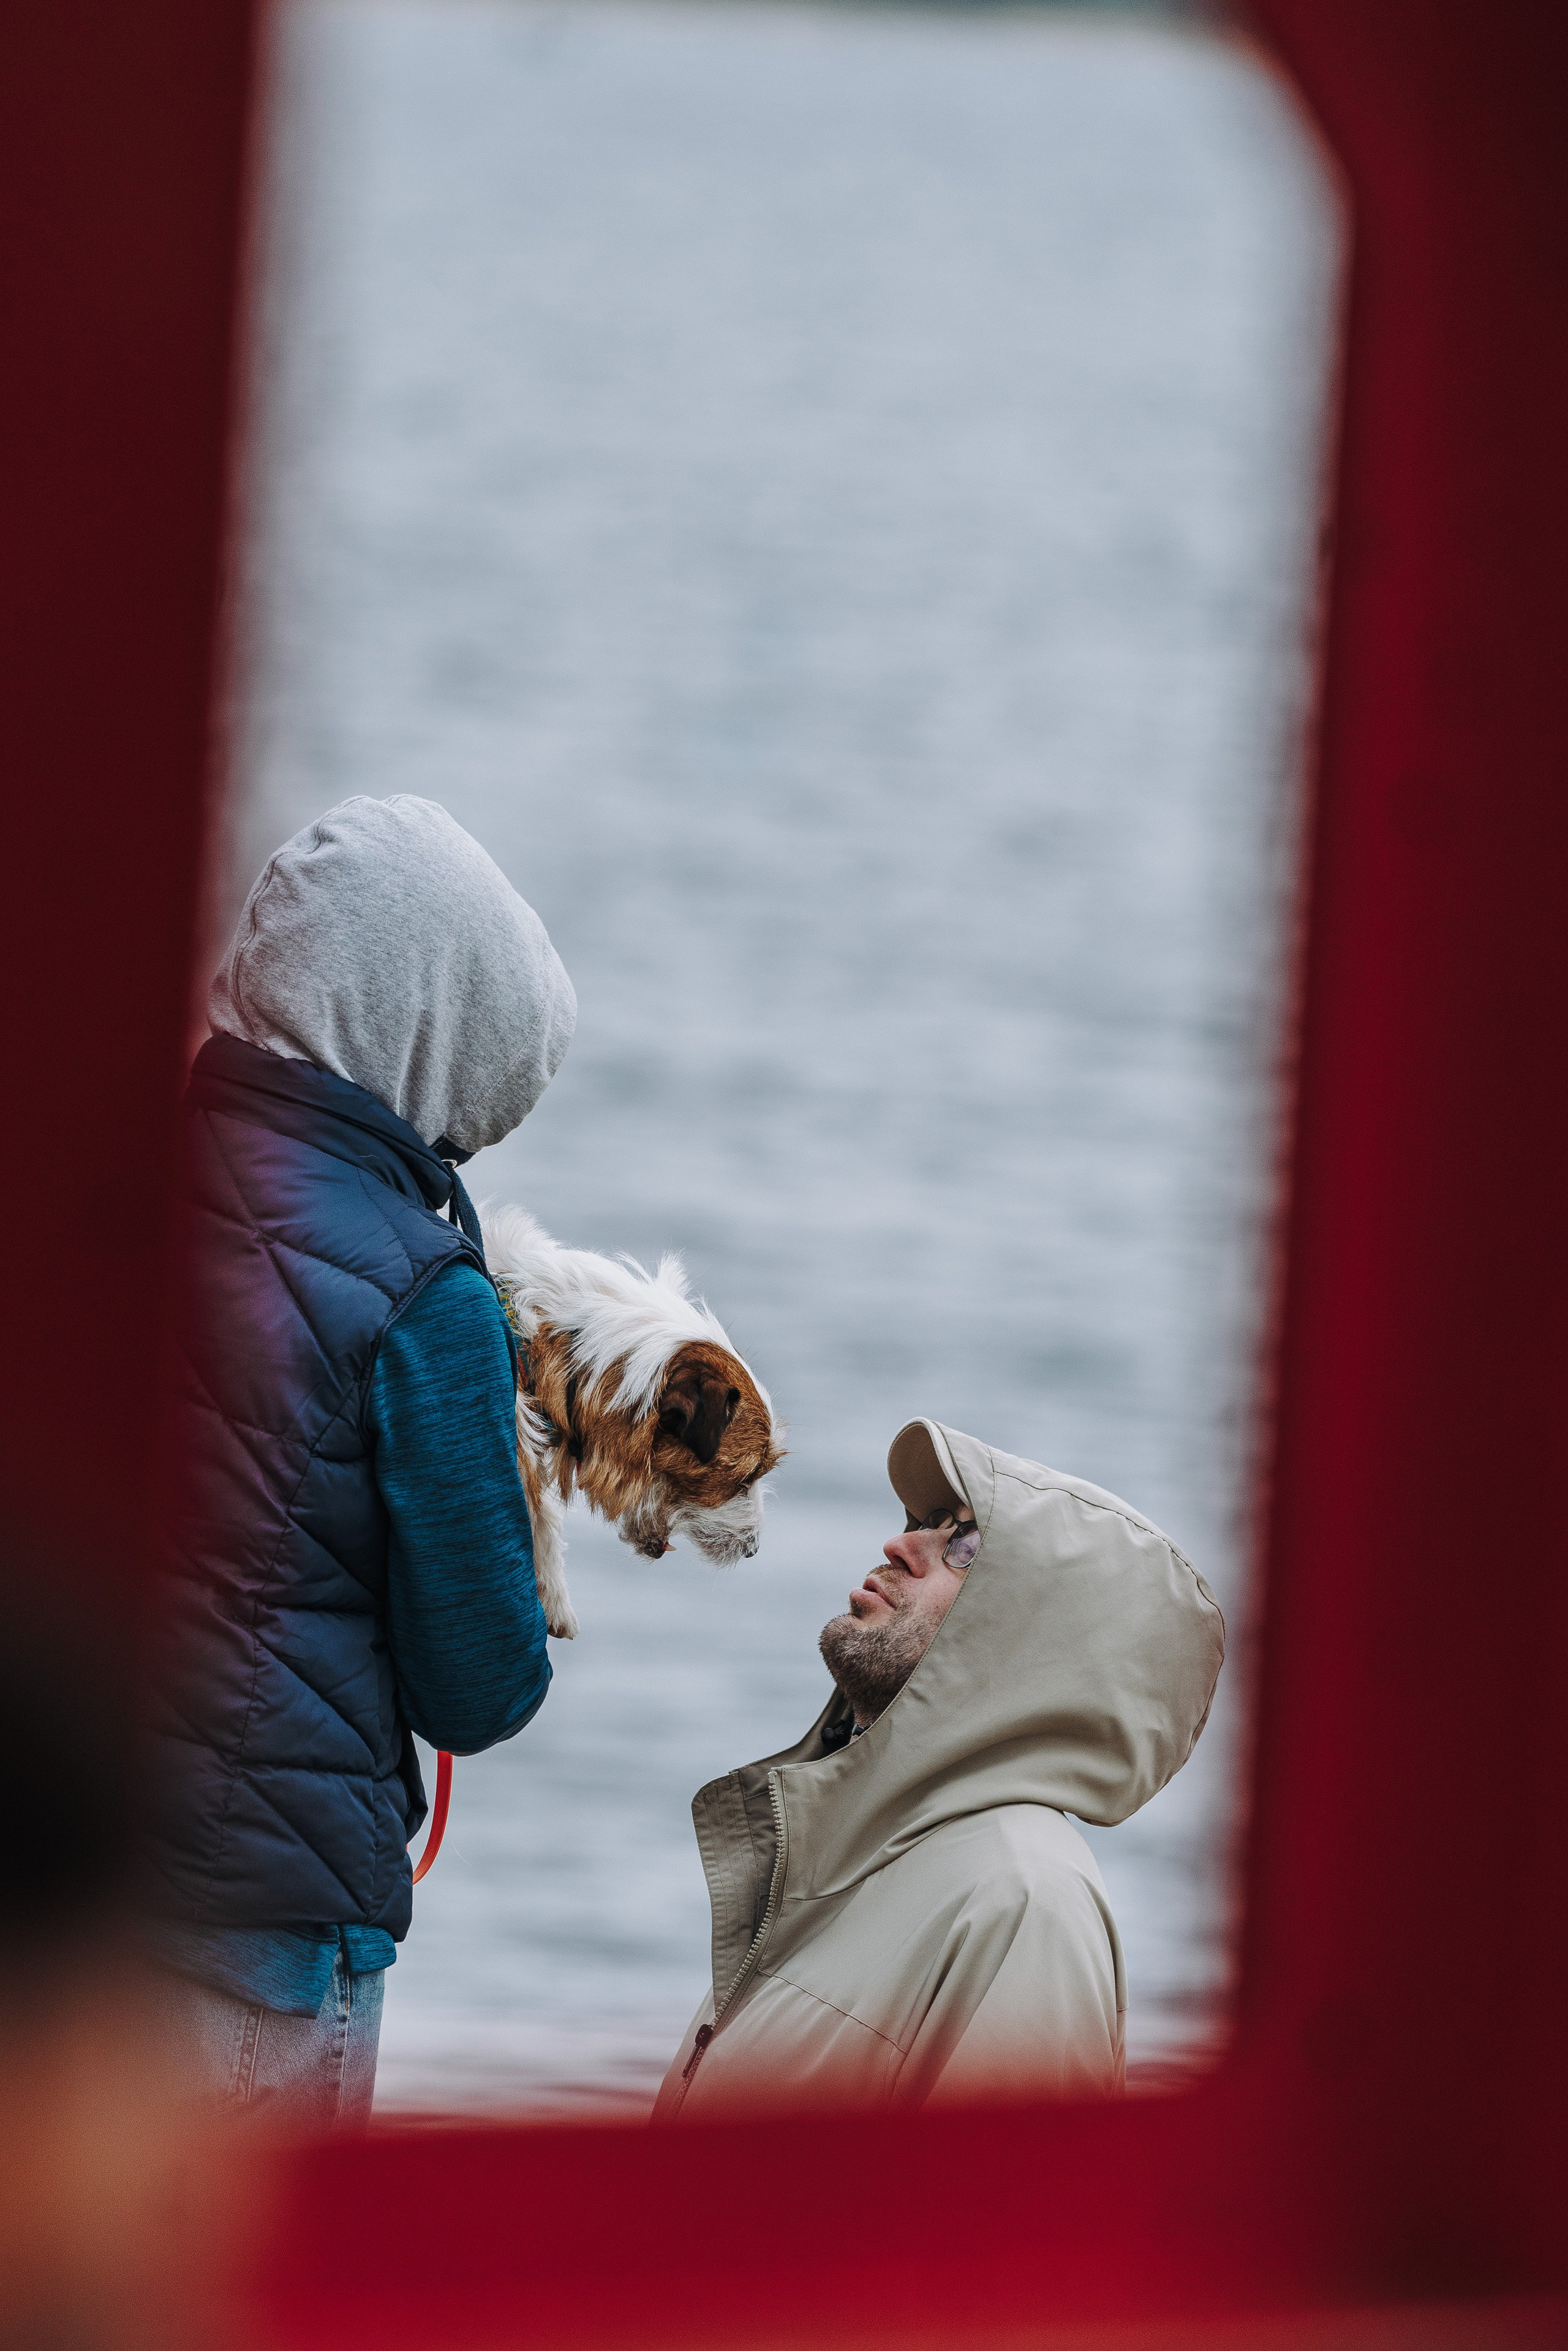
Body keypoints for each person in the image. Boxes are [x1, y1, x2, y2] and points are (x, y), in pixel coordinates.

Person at [142, 794, 576, 2130]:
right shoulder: (425, 1293)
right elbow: (480, 1682)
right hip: (254, 1947)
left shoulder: (99, 1168)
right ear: (433, 1042)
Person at [655, 1416, 1224, 2118]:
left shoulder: (1023, 1903)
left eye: (965, 1546)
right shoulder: (846, 1860)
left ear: (1036, 1636)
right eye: (925, 1520)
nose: (898, 1544)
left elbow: (1003, 2221)